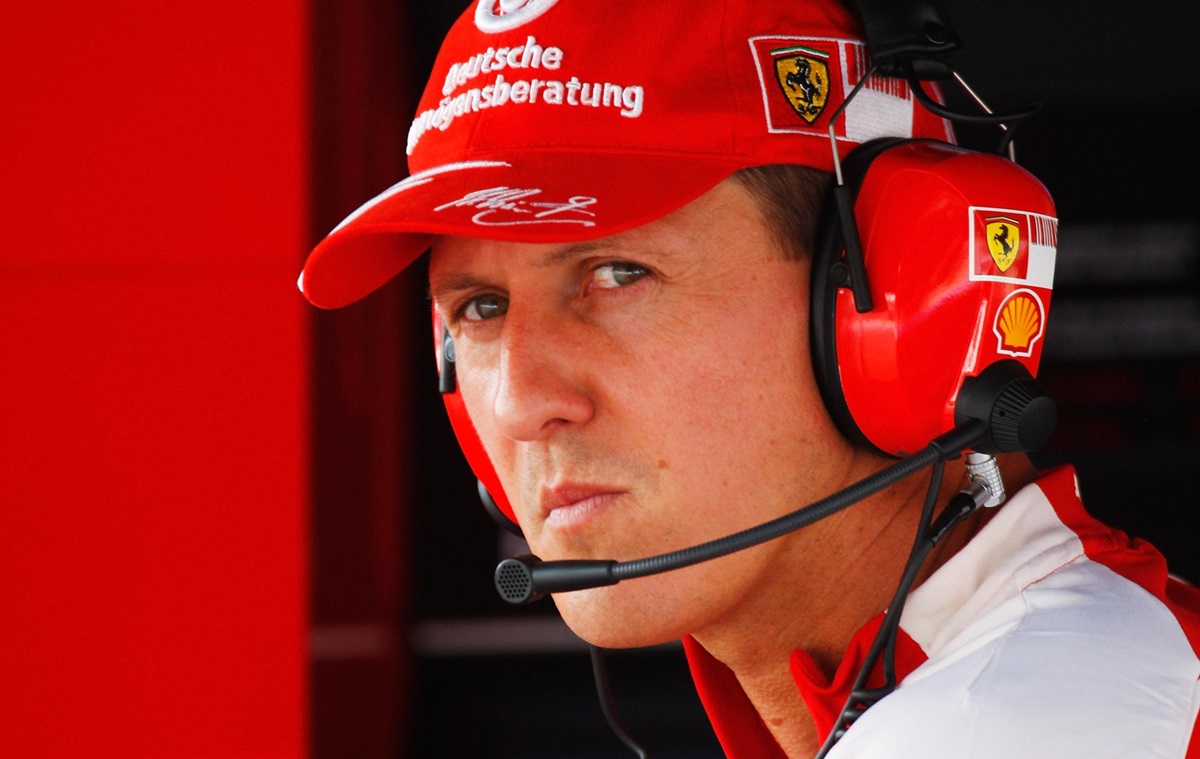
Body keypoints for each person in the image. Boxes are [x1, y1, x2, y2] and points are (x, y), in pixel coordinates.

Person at [298, 1, 1200, 756]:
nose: (520, 403)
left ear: (894, 305)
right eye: (480, 308)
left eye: (617, 273)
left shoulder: (1006, 725)